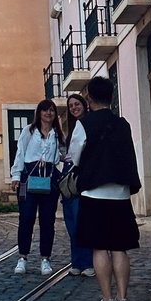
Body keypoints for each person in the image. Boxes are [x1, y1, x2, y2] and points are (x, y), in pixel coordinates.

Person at [68, 75, 140, 301]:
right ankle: (123, 300)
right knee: (119, 248)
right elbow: (129, 157)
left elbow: (74, 158)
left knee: (100, 248)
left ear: (89, 98)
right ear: (111, 96)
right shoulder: (123, 124)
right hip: (119, 194)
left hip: (93, 193)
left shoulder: (83, 125)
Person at [10, 100, 64, 275]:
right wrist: (16, 176)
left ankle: (45, 259)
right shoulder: (29, 131)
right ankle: (22, 257)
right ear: (39, 113)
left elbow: (63, 156)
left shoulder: (57, 134)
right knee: (26, 218)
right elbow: (20, 153)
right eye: (45, 110)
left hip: (49, 178)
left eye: (51, 111)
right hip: (28, 177)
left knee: (47, 221)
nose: (48, 113)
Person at [60, 93, 94, 278]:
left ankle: (88, 262)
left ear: (84, 105)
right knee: (71, 224)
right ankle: (76, 262)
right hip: (69, 182)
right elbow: (70, 154)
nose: (74, 108)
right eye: (71, 106)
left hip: (81, 181)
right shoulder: (71, 128)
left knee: (82, 222)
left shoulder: (89, 124)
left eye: (76, 104)